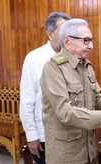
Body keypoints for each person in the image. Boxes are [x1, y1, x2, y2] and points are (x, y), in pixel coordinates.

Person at [39, 18, 101, 164]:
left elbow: (96, 100)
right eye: (86, 40)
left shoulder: (86, 66)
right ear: (67, 41)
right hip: (66, 154)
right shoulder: (54, 68)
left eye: (91, 40)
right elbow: (64, 112)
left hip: (88, 149)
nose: (91, 46)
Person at [19, 12, 71, 164]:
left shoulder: (72, 57)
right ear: (50, 33)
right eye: (64, 30)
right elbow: (27, 101)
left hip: (70, 134)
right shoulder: (34, 58)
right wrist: (32, 136)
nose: (68, 35)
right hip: (44, 135)